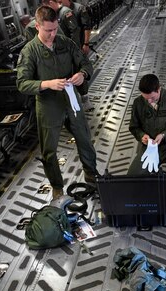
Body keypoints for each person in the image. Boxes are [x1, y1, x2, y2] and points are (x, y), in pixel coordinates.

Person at [16, 6, 98, 200]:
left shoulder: (66, 43)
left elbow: (86, 63)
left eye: (55, 29)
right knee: (49, 150)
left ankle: (91, 175)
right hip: (48, 106)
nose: (52, 34)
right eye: (48, 30)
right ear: (37, 27)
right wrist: (47, 84)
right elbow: (21, 83)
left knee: (85, 140)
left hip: (71, 101)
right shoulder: (30, 51)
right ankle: (57, 186)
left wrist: (82, 74)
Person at [42, 0, 94, 111]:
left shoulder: (66, 12)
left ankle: (85, 99)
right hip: (63, 51)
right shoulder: (56, 14)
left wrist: (74, 48)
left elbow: (74, 31)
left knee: (78, 72)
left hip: (71, 50)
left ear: (51, 2)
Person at [60, 0, 94, 111]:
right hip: (66, 50)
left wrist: (86, 43)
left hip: (78, 46)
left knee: (81, 71)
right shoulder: (59, 12)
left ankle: (85, 99)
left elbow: (87, 26)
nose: (60, 2)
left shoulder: (79, 9)